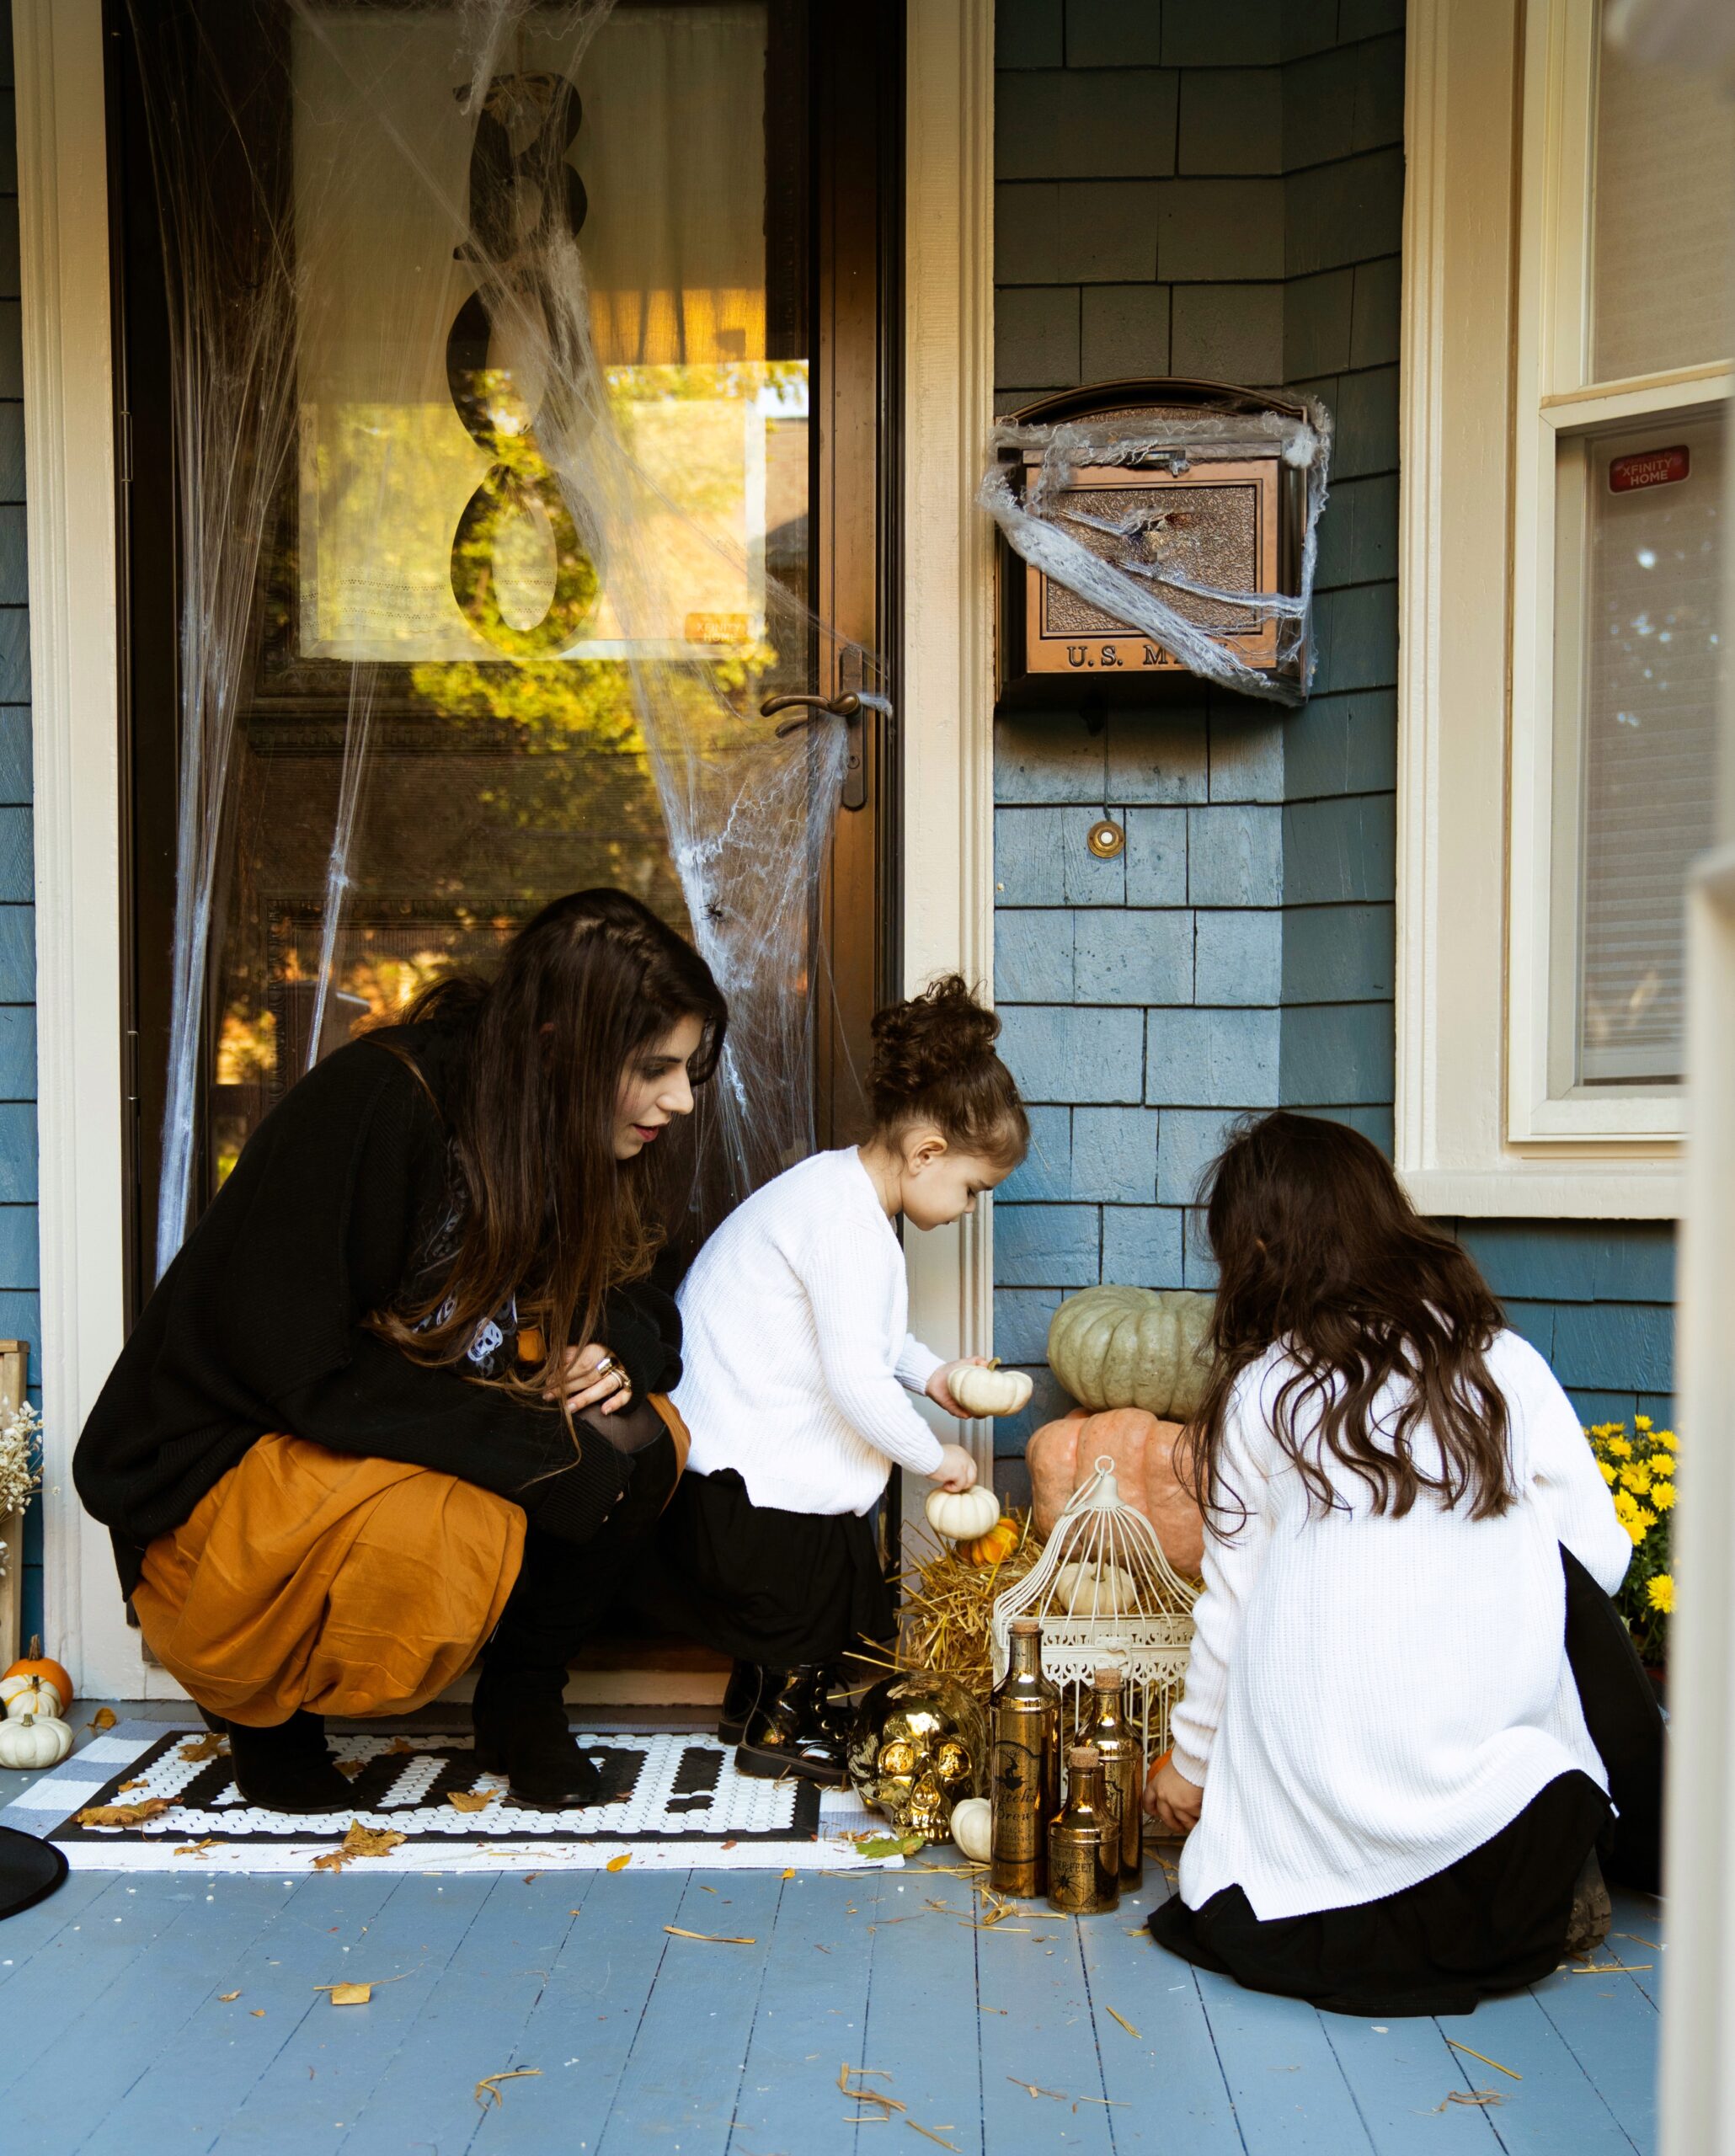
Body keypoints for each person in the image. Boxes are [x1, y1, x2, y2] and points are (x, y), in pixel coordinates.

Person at [74, 889, 728, 1815]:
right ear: (555, 1046)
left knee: (636, 1437)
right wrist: (526, 1445)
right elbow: (298, 1366)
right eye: (653, 1067)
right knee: (458, 1524)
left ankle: (523, 1700)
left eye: (689, 1067)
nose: (680, 1098)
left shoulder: (575, 1131)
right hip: (242, 1448)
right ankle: (267, 1714)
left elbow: (643, 1290)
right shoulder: (384, 1099)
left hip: (413, 1403)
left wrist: (607, 1348)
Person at [1144, 1110, 1651, 2017]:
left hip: (1297, 1886)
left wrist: (1187, 1766)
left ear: (1257, 1250)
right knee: (1559, 1614)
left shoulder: (1265, 1392)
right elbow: (1600, 1558)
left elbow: (1230, 1607)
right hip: (1502, 1852)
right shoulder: (1499, 1363)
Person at [650, 975, 1030, 1785]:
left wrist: (934, 1377)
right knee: (837, 1575)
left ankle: (751, 1699)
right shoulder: (848, 1228)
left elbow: (867, 1339)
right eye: (972, 1188)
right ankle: (780, 1728)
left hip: (721, 1470)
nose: (969, 1207)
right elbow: (857, 1381)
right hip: (742, 1493)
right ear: (928, 1152)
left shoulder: (833, 1193)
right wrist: (940, 1459)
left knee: (825, 1549)